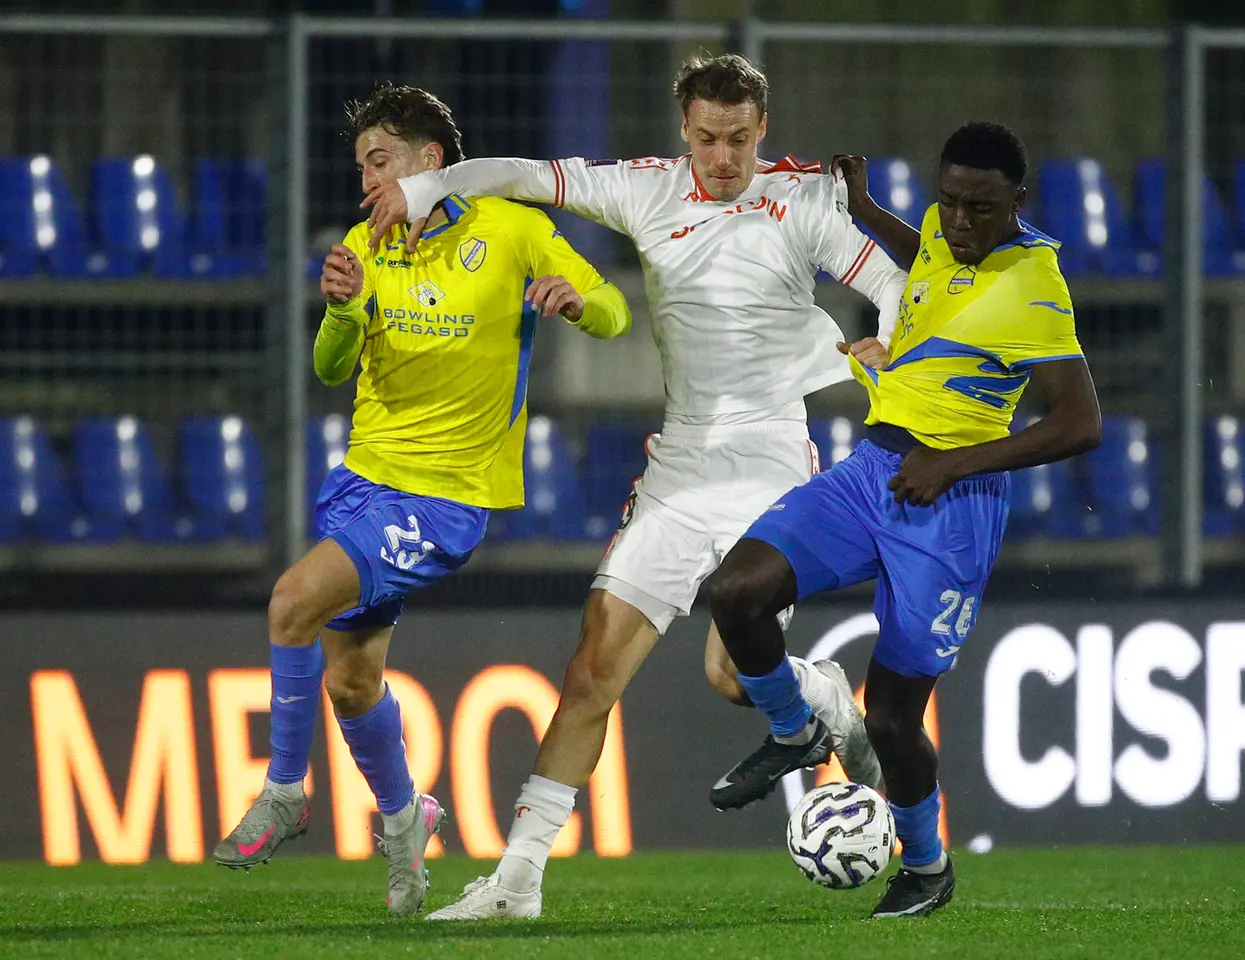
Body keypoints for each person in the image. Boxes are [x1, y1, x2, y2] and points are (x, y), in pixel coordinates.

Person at [361, 54, 907, 920]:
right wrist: (428, 190)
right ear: (682, 131)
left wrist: (889, 339)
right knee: (590, 671)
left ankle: (821, 696)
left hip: (771, 461)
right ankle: (517, 882)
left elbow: (895, 280)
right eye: (704, 138)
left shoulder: (804, 201)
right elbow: (523, 175)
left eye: (736, 139)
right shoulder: (644, 189)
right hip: (683, 461)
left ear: (761, 131)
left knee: (732, 677)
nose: (721, 156)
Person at [211, 84, 631, 916]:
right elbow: (334, 367)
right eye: (361, 164)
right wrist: (340, 307)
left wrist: (581, 304)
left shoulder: (511, 229)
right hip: (363, 481)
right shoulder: (367, 243)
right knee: (352, 684)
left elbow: (616, 309)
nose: (366, 179)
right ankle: (408, 822)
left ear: (430, 161)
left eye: (380, 161)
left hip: (445, 498)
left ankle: (287, 793)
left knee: (291, 602)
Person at [704, 122, 1103, 918]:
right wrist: (864, 207)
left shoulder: (1034, 285)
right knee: (737, 590)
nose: (958, 223)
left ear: (1016, 203)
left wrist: (950, 464)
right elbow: (923, 253)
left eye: (979, 209)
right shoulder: (939, 231)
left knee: (889, 717)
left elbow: (1080, 423)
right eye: (948, 202)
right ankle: (795, 731)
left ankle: (925, 867)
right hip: (873, 473)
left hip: (950, 504)